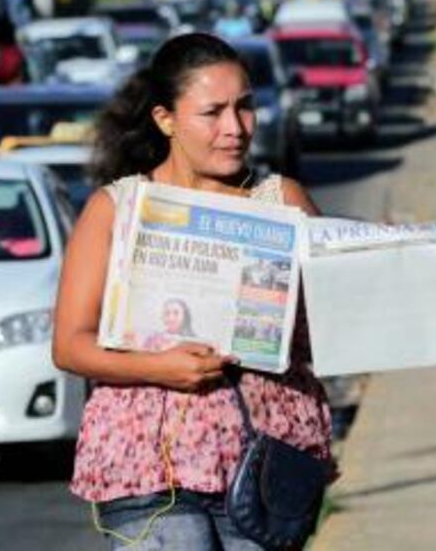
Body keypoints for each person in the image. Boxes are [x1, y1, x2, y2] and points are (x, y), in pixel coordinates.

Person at [52, 33, 334, 550]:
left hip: (264, 461)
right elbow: (71, 344)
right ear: (166, 120)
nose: (235, 128)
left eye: (245, 107)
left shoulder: (283, 202)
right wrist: (159, 367)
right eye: (213, 112)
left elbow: (337, 327)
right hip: (149, 466)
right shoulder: (116, 209)